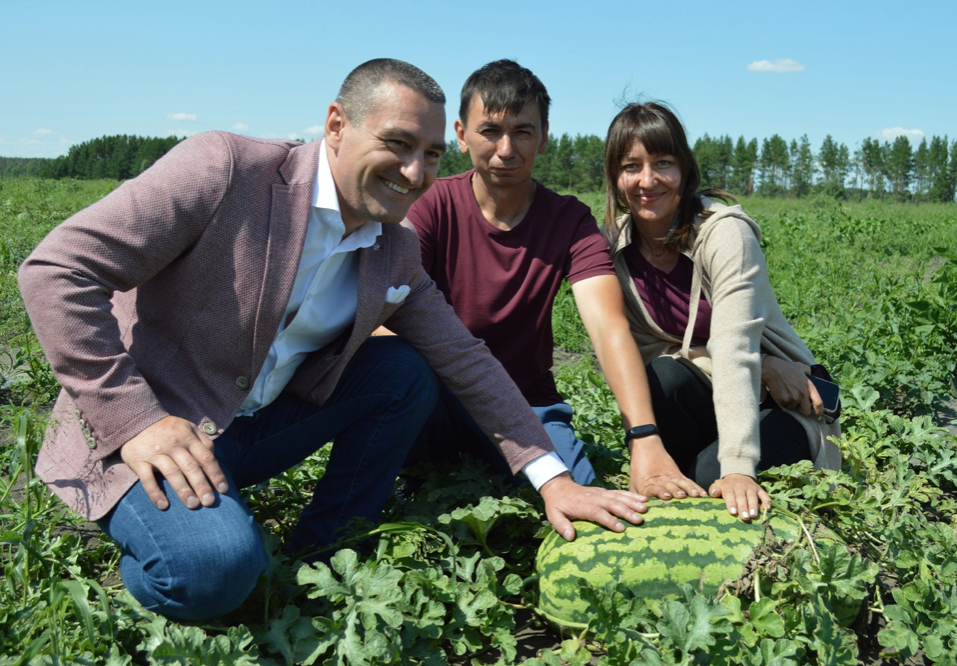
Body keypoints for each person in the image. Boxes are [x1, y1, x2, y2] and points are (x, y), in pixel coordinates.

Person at [17, 59, 647, 622]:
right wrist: (136, 418)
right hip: (149, 432)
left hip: (251, 428)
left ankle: (326, 547)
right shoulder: (227, 169)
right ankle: (147, 531)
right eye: (397, 144)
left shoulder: (392, 246)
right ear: (336, 125)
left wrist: (551, 478)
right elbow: (56, 271)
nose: (414, 172)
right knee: (217, 572)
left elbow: (465, 359)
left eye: (429, 154)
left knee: (404, 370)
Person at [381, 60, 668, 493]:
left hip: (526, 404)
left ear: (544, 137)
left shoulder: (568, 220)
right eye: (490, 131)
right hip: (437, 401)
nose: (506, 150)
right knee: (404, 373)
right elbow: (386, 319)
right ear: (461, 135)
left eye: (523, 131)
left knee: (583, 498)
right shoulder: (430, 206)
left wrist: (645, 438)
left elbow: (608, 327)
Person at [601, 101, 842, 521]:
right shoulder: (616, 245)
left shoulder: (724, 234)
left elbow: (734, 348)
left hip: (777, 405)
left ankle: (715, 466)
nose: (647, 180)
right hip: (711, 393)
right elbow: (640, 354)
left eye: (663, 163)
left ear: (685, 169)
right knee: (661, 376)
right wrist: (767, 363)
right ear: (614, 176)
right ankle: (689, 466)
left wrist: (737, 469)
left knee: (708, 479)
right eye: (630, 166)